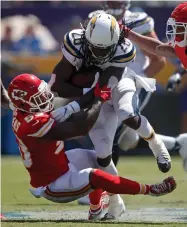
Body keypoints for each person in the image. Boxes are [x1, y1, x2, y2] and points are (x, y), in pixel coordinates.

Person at [6, 73, 176, 221]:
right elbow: (81, 129)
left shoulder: (21, 109)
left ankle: (96, 208)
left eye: (42, 95)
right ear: (23, 103)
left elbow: (9, 99)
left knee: (98, 158)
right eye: (38, 98)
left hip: (61, 164)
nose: (45, 99)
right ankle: (150, 190)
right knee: (94, 175)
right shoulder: (31, 124)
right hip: (52, 184)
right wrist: (99, 99)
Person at [49, 13, 172, 218]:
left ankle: (157, 146)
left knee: (127, 114)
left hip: (118, 83)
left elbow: (102, 91)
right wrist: (77, 93)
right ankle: (115, 202)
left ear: (115, 42)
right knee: (103, 154)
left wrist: (70, 108)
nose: (98, 53)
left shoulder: (123, 50)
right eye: (95, 47)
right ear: (86, 38)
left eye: (104, 48)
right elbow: (57, 85)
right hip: (92, 91)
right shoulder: (74, 42)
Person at [85, 0, 186, 172]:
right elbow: (161, 49)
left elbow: (158, 60)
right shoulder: (96, 20)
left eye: (180, 27)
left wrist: (136, 81)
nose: (175, 32)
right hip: (107, 85)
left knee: (110, 134)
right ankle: (179, 144)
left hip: (130, 83)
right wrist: (130, 34)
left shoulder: (140, 20)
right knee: (125, 139)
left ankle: (104, 189)